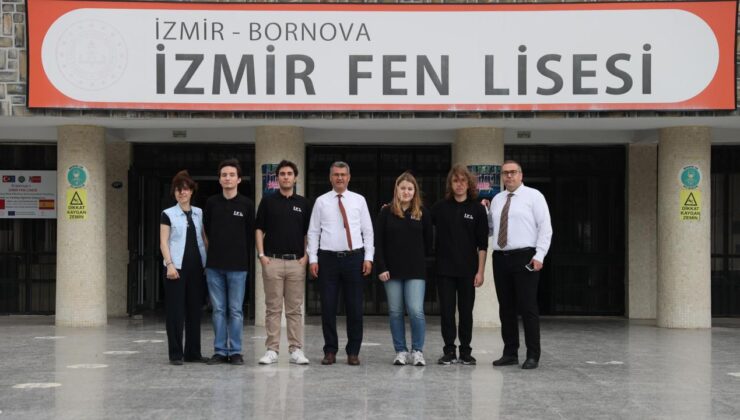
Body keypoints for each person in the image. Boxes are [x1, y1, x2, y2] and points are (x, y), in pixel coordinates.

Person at [307, 161, 374, 366]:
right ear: (330, 177)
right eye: (336, 174)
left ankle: (353, 351)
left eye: (343, 174)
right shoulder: (321, 201)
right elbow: (313, 232)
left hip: (354, 258)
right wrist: (313, 259)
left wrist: (368, 257)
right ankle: (330, 351)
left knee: (354, 307)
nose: (339, 178)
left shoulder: (359, 200)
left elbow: (367, 230)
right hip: (328, 259)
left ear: (349, 177)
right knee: (327, 307)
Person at [488, 160, 552, 370]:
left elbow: (545, 228)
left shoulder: (534, 196)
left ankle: (533, 354)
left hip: (525, 257)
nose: (509, 176)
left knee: (527, 307)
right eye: (505, 173)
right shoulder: (497, 199)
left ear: (521, 175)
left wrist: (540, 255)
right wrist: (485, 212)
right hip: (500, 257)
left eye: (513, 172)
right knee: (505, 308)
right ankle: (510, 353)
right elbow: (492, 229)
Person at [255, 160, 310, 365]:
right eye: (282, 174)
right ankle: (272, 350)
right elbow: (259, 228)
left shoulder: (304, 203)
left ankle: (296, 349)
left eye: (289, 174)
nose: (286, 177)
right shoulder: (268, 202)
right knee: (273, 308)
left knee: (295, 309)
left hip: (296, 262)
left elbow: (308, 232)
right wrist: (261, 255)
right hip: (273, 262)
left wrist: (306, 257)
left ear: (295, 178)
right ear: (277, 178)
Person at [432, 164, 488, 365]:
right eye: (455, 181)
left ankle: (465, 351)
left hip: (468, 270)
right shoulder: (440, 207)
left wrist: (480, 272)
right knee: (447, 312)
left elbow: (483, 244)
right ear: (450, 184)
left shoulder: (478, 209)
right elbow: (419, 222)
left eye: (463, 180)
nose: (459, 184)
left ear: (469, 183)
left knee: (466, 312)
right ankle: (449, 350)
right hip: (444, 270)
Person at [375, 172, 433, 366]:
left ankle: (417, 350)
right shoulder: (386, 212)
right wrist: (381, 267)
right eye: (403, 188)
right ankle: (400, 350)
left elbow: (428, 242)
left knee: (416, 311)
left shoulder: (422, 213)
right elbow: (379, 243)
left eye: (410, 188)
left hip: (415, 270)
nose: (406, 192)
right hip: (391, 271)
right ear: (396, 190)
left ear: (414, 191)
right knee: (395, 312)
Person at [203, 159, 255, 366]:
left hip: (238, 266)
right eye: (224, 175)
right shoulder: (212, 203)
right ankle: (219, 351)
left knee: (235, 310)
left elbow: (251, 233)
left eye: (231, 175)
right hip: (214, 265)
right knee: (218, 310)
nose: (227, 178)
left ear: (239, 179)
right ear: (219, 179)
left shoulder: (247, 204)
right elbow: (205, 231)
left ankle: (235, 351)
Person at [159, 170, 208, 365]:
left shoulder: (199, 212)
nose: (182, 193)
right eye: (178, 190)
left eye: (185, 189)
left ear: (191, 192)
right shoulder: (168, 214)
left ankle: (193, 353)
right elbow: (164, 242)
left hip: (197, 267)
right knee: (175, 312)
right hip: (176, 269)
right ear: (174, 193)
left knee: (194, 311)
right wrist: (170, 265)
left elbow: (203, 238)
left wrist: (208, 262)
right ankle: (176, 354)